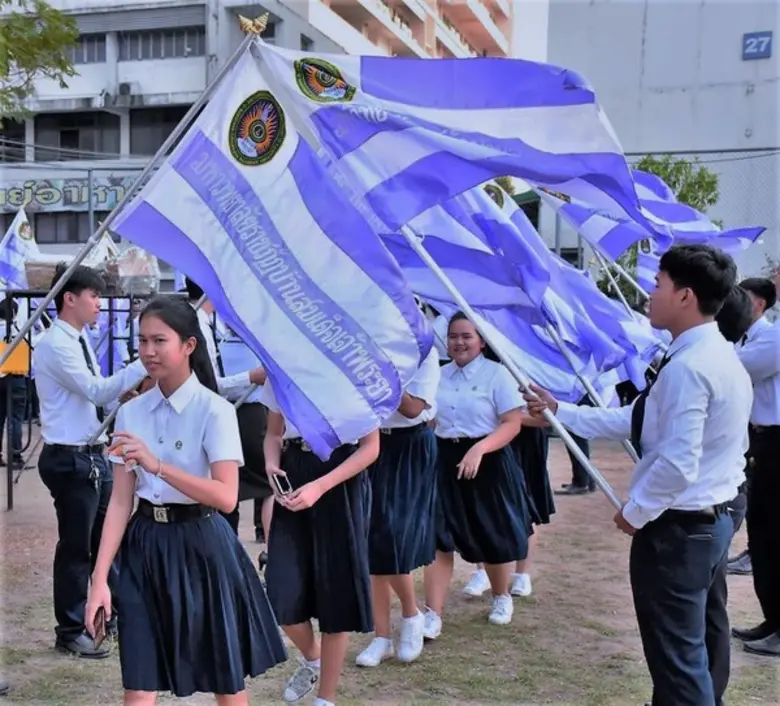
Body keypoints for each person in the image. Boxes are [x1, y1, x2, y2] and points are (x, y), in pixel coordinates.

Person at [525, 245, 752, 706]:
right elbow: (641, 419)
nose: (650, 294)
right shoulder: (710, 354)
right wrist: (560, 411)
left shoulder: (691, 366)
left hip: (681, 530)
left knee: (679, 662)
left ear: (686, 296)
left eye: (658, 283)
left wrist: (637, 510)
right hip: (709, 521)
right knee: (699, 647)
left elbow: (678, 463)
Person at [85, 295, 287, 703]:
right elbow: (121, 502)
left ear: (189, 345)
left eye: (159, 341)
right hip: (144, 546)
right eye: (143, 341)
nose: (148, 351)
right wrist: (100, 578)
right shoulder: (131, 413)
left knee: (225, 676)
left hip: (203, 545)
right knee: (139, 678)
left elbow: (226, 496)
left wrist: (157, 465)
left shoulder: (215, 411)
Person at [33, 265, 148, 658]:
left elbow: (95, 398)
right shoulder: (56, 344)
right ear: (70, 298)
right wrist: (143, 363)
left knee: (106, 543)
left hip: (91, 456)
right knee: (76, 549)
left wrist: (120, 396)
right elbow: (96, 392)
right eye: (94, 296)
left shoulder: (78, 339)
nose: (100, 304)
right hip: (71, 459)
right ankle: (69, 630)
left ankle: (107, 616)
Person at [262, 379, 379, 706]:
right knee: (280, 590)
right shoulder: (279, 370)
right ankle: (313, 658)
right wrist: (271, 465)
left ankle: (325, 699)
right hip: (292, 473)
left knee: (336, 594)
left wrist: (321, 486)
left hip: (340, 479)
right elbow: (273, 434)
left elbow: (370, 447)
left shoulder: (351, 368)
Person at [423, 312, 532, 636]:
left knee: (492, 531)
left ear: (482, 341)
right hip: (444, 459)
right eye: (453, 336)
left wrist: (479, 449)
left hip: (489, 460)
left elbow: (512, 423)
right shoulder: (438, 374)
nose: (459, 342)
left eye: (466, 336)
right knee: (439, 537)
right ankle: (432, 614)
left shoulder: (497, 374)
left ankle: (501, 596)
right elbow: (431, 419)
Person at [356, 348, 439, 668]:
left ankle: (411, 614)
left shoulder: (424, 350)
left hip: (410, 445)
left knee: (392, 533)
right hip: (371, 442)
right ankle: (381, 636)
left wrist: (376, 369)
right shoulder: (364, 344)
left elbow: (412, 408)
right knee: (371, 538)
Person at [732, 277, 780, 657]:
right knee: (761, 534)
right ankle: (772, 619)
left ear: (759, 304)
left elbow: (735, 370)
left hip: (777, 440)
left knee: (775, 535)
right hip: (761, 440)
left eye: (741, 298)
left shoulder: (772, 339)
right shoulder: (747, 339)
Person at [0, 298, 27, 469]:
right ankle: (15, 455)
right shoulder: (20, 331)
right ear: (15, 313)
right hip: (16, 378)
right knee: (15, 419)